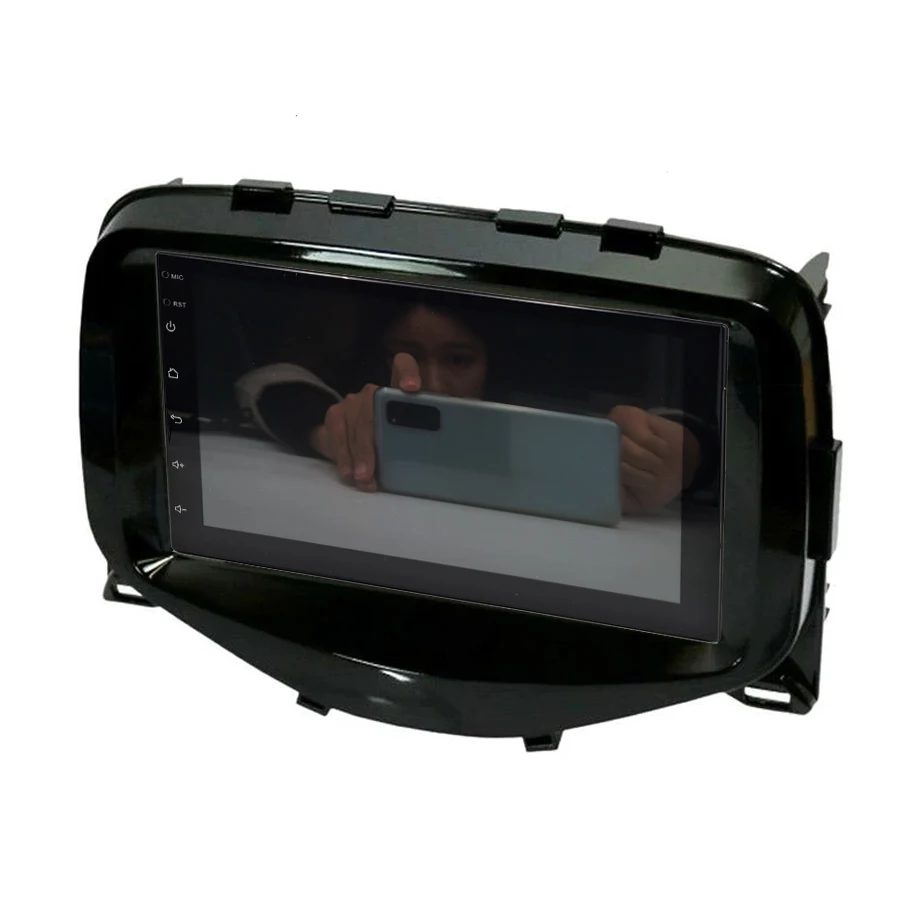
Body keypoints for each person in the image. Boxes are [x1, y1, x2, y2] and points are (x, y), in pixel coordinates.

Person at [235, 299, 709, 515]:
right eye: (408, 355)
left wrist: (684, 454)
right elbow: (268, 381)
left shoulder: (530, 418)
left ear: (491, 362)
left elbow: (686, 436)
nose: (432, 384)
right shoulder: (367, 410)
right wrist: (330, 431)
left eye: (458, 359)